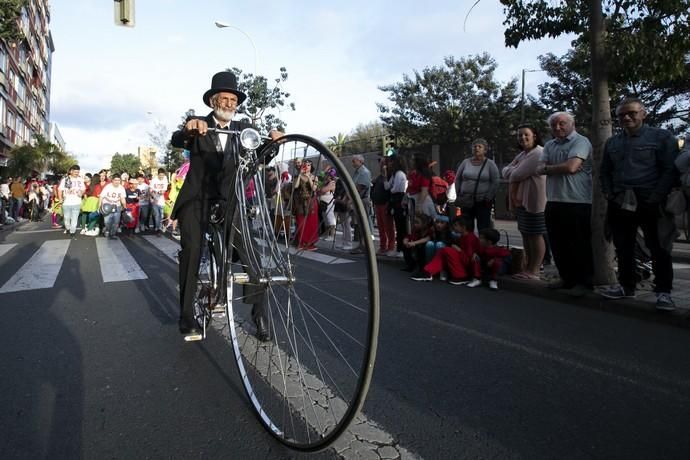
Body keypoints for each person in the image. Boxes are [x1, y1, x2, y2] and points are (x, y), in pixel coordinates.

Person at [170, 70, 282, 341]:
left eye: (233, 99)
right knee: (193, 250)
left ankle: (260, 318)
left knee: (252, 254)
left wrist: (275, 141)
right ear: (213, 101)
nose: (229, 104)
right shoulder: (198, 124)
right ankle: (186, 317)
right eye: (224, 98)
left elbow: (261, 155)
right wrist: (189, 129)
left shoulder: (243, 130)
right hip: (197, 199)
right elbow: (177, 138)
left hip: (230, 202)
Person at [599, 97, 679, 310]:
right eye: (621, 115)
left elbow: (670, 170)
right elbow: (604, 170)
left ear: (643, 114)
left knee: (659, 247)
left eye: (631, 113)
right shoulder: (613, 142)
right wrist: (609, 193)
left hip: (651, 200)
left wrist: (656, 197)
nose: (626, 117)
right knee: (623, 246)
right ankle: (626, 286)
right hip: (620, 200)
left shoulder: (662, 137)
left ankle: (663, 292)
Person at [537, 111, 594, 294]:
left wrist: (549, 168)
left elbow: (572, 167)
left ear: (572, 124)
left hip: (578, 201)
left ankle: (584, 282)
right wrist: (556, 167)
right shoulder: (549, 145)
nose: (557, 127)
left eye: (562, 123)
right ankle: (566, 278)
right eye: (554, 125)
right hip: (554, 200)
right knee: (558, 243)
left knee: (579, 243)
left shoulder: (581, 142)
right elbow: (539, 168)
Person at [501, 124, 546, 280]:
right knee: (526, 234)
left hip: (535, 201)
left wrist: (513, 169)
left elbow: (514, 175)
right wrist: (513, 170)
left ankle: (534, 270)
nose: (522, 138)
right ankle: (527, 268)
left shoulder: (538, 153)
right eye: (519, 135)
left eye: (526, 134)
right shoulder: (523, 155)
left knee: (535, 235)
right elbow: (506, 172)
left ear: (534, 135)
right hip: (522, 201)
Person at [454, 138, 500, 232]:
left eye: (480, 146)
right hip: (466, 200)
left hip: (483, 201)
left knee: (483, 227)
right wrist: (458, 192)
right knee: (466, 226)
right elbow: (458, 178)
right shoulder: (465, 162)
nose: (476, 148)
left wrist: (488, 196)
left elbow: (495, 181)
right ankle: (469, 245)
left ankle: (483, 246)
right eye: (474, 146)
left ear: (485, 150)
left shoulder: (490, 164)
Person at [384, 154, 408, 257]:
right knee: (397, 225)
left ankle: (401, 249)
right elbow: (387, 186)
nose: (389, 164)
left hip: (399, 200)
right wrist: (385, 175)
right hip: (395, 200)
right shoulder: (394, 174)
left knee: (401, 225)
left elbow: (396, 189)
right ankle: (399, 248)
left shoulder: (400, 174)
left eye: (390, 162)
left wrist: (391, 188)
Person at [292, 159, 319, 251]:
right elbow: (295, 186)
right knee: (301, 222)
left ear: (311, 167)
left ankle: (310, 243)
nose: (306, 167)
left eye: (308, 165)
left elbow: (314, 189)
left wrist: (309, 178)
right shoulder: (297, 176)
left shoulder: (314, 177)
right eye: (305, 165)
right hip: (300, 202)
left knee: (311, 223)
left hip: (311, 202)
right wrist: (300, 175)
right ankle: (301, 243)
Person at [350, 154, 373, 253]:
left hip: (362, 200)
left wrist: (350, 199)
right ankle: (361, 244)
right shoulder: (357, 172)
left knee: (363, 223)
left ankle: (365, 245)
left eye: (354, 161)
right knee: (359, 224)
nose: (352, 163)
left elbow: (360, 188)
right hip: (358, 199)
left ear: (360, 161)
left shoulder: (364, 172)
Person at [372, 158, 394, 255]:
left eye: (383, 163)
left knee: (388, 226)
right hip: (377, 204)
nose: (381, 165)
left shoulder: (389, 176)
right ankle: (382, 246)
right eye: (380, 164)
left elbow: (388, 188)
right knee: (380, 227)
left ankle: (391, 246)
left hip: (385, 203)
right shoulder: (379, 176)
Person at [57, 165, 86, 237]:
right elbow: (60, 189)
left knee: (74, 218)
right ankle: (68, 228)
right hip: (66, 203)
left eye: (78, 172)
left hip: (77, 202)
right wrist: (60, 198)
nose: (77, 173)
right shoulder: (66, 180)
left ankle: (72, 231)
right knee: (66, 218)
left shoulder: (80, 180)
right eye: (75, 172)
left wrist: (81, 193)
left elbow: (83, 189)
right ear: (71, 171)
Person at [98, 173, 127, 239]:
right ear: (112, 180)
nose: (117, 182)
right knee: (107, 221)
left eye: (118, 180)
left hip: (117, 206)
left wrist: (125, 206)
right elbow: (101, 196)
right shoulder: (108, 187)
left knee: (116, 221)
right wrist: (99, 206)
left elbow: (122, 198)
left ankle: (113, 234)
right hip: (107, 206)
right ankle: (107, 230)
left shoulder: (121, 188)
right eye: (115, 180)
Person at [149, 168, 168, 235]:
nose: (161, 177)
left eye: (162, 175)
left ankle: (158, 227)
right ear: (158, 174)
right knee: (157, 215)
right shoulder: (154, 180)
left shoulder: (165, 179)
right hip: (154, 200)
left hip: (161, 200)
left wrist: (161, 192)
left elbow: (164, 189)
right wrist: (153, 197)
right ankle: (157, 229)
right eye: (160, 175)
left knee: (161, 215)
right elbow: (150, 190)